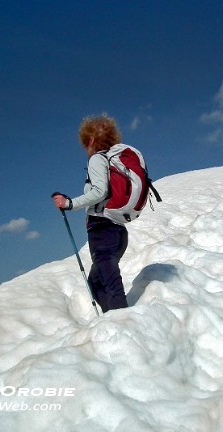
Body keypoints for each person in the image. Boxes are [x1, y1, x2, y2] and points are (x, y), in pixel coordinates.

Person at [52, 114, 130, 312]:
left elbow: (99, 191)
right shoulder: (111, 162)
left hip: (103, 232)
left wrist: (70, 204)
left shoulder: (97, 158)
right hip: (118, 233)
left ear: (92, 140)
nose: (85, 148)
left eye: (85, 143)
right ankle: (113, 322)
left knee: (110, 285)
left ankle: (122, 327)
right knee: (96, 283)